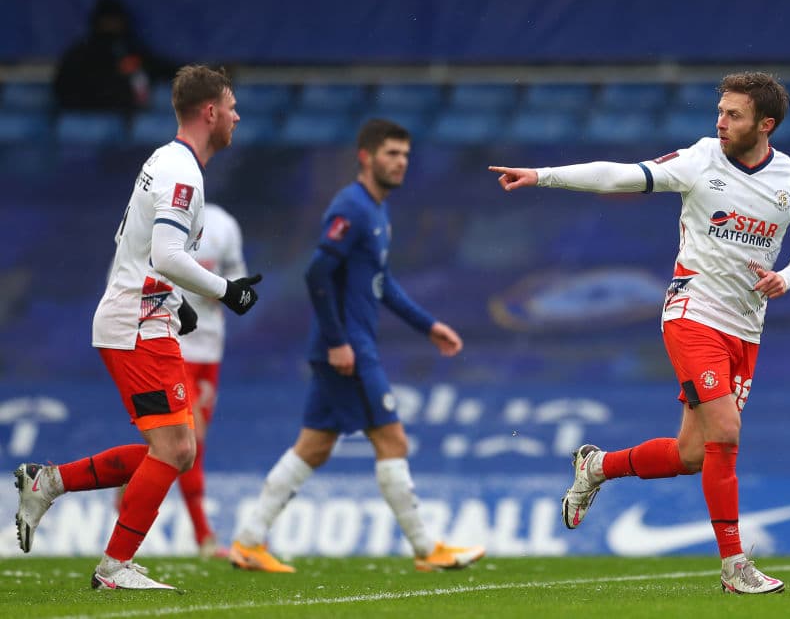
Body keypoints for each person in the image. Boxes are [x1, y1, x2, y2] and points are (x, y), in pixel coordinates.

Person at [490, 72, 790, 595]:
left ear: (766, 124)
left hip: (746, 327)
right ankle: (735, 567)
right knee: (726, 433)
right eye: (720, 110)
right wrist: (542, 175)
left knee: (692, 454)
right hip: (693, 313)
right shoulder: (701, 160)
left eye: (734, 114)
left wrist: (786, 277)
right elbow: (619, 177)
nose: (720, 121)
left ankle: (596, 466)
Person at [14, 64, 263, 590]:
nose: (237, 116)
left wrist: (177, 301)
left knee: (174, 449)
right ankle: (112, 567)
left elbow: (132, 242)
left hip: (143, 315)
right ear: (210, 112)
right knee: (176, 450)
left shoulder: (165, 160)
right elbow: (167, 254)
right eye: (232, 106)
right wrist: (226, 291)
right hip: (138, 324)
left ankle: (49, 483)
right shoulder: (182, 172)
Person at [229, 118, 485, 573]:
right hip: (348, 349)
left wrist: (428, 326)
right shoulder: (352, 206)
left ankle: (248, 541)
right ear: (366, 157)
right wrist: (337, 341)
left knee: (313, 447)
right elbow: (316, 272)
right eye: (391, 154)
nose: (400, 162)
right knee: (392, 439)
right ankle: (427, 549)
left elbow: (381, 284)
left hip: (346, 345)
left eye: (405, 155)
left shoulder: (378, 211)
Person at [177, 203, 248, 558]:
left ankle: (128, 479)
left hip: (210, 348)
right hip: (172, 342)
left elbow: (239, 281)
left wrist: (227, 291)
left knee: (184, 447)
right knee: (189, 437)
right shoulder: (160, 217)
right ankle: (204, 536)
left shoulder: (224, 224)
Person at [54, 0, 177, 112]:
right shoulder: (80, 54)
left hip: (126, 116)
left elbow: (158, 67)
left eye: (115, 21)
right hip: (87, 114)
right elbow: (64, 90)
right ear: (98, 22)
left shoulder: (130, 50)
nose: (112, 25)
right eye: (107, 21)